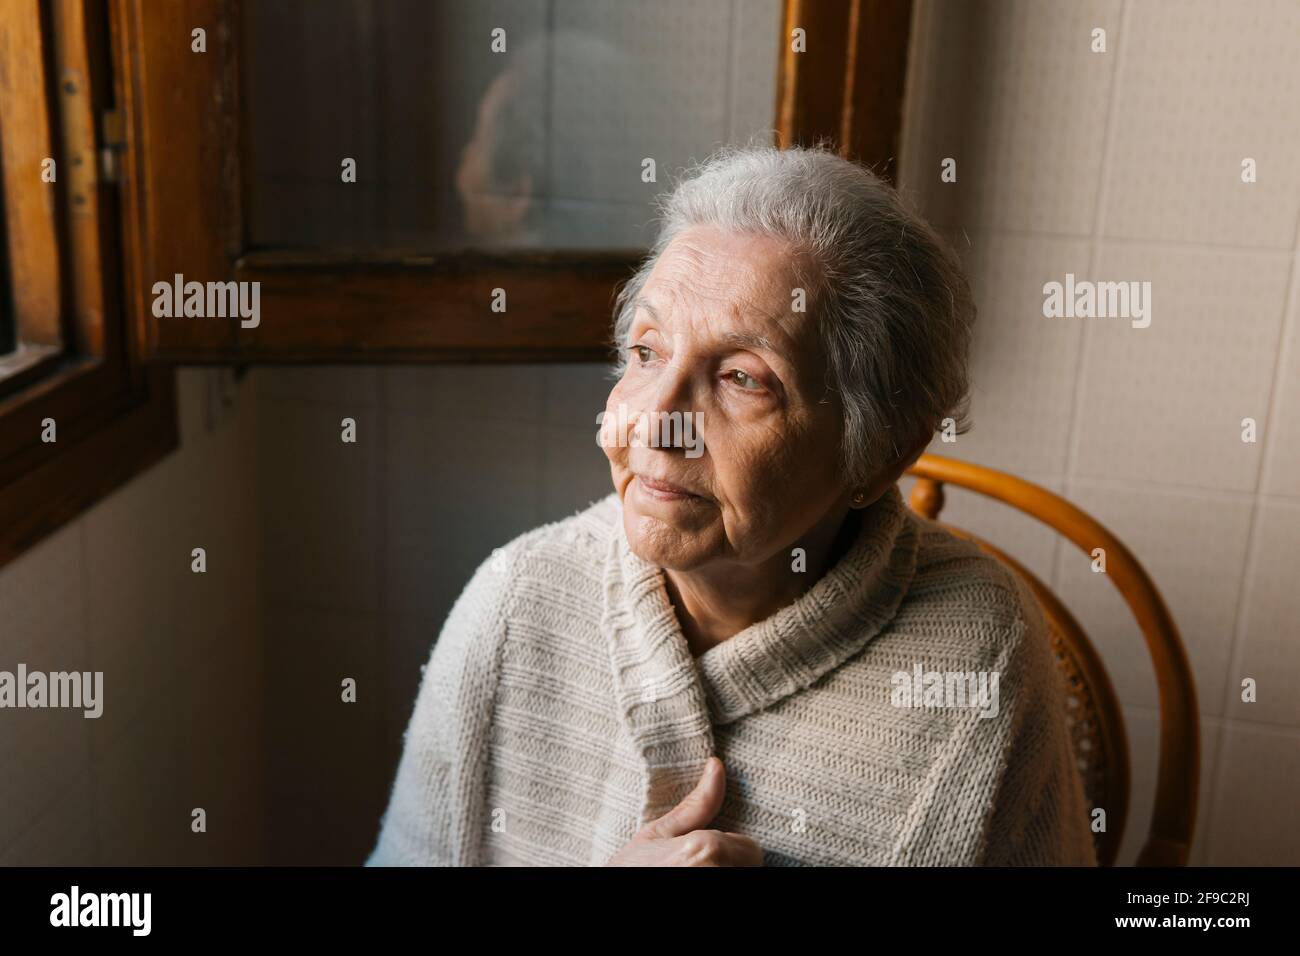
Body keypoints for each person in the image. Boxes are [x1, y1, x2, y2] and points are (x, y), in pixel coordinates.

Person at [366, 144, 1098, 866]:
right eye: (648, 353)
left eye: (743, 379)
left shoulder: (976, 652)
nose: (656, 423)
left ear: (878, 453)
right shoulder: (517, 598)